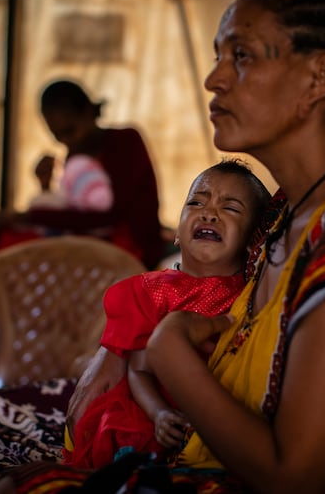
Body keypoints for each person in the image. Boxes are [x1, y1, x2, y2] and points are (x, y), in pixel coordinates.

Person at [0, 0, 325, 494]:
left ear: (317, 78)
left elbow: (296, 478)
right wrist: (121, 350)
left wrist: (170, 347)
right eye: (219, 55)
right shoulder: (290, 208)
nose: (214, 79)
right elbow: (234, 325)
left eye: (241, 55)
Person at [64, 159, 270, 469]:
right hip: (149, 410)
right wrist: (158, 413)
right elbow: (139, 368)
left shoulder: (251, 297)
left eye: (230, 208)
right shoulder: (155, 290)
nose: (208, 213)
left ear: (254, 241)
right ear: (176, 234)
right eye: (196, 203)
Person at [0, 79, 166, 270]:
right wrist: (45, 187)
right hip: (94, 251)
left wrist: (27, 217)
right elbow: (75, 211)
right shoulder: (75, 155)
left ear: (89, 112)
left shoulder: (126, 141)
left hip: (133, 255)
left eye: (70, 131)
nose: (66, 141)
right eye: (58, 136)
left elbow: (108, 215)